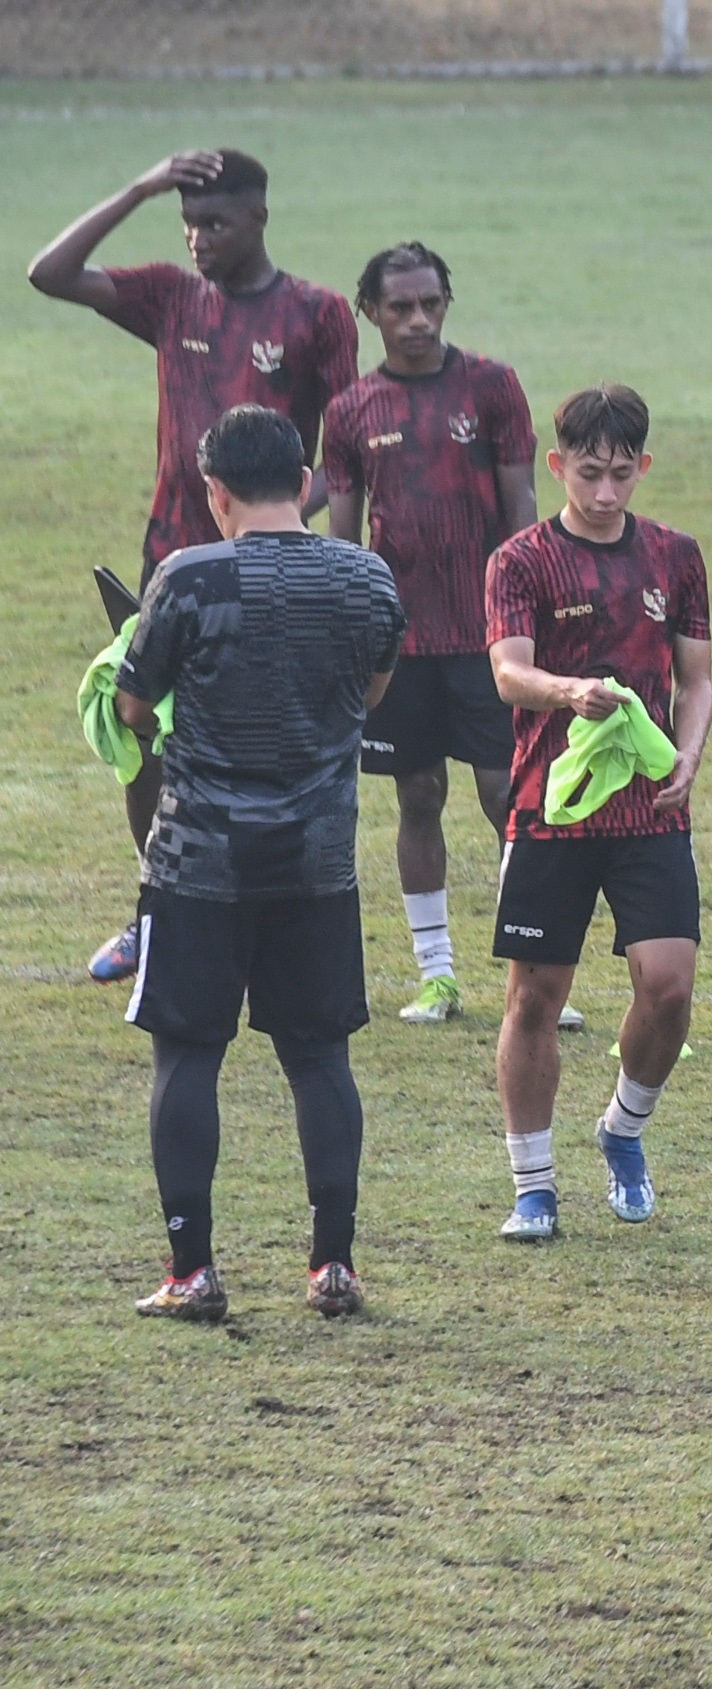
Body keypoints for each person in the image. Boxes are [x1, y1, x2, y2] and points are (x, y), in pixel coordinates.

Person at [27, 148, 357, 987]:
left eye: (214, 223)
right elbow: (48, 273)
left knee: (261, 737)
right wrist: (140, 183)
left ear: (259, 219)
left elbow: (347, 455)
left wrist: (278, 530)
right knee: (147, 737)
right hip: (168, 565)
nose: (198, 238)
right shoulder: (173, 297)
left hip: (273, 573)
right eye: (187, 223)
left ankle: (261, 915)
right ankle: (155, 912)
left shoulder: (317, 315)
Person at [112, 405, 403, 1323]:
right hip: (317, 863)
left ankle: (192, 1270)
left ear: (216, 494)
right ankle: (333, 1264)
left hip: (198, 864)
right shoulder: (367, 579)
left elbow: (132, 708)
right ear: (308, 485)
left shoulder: (188, 578)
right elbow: (371, 692)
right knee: (321, 1060)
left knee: (187, 1058)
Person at [484, 385, 712, 1241]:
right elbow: (509, 672)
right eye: (590, 474)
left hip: (650, 810)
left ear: (643, 467)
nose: (607, 492)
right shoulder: (521, 561)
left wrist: (688, 752)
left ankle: (623, 1129)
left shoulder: (676, 557)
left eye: (623, 474)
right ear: (559, 467)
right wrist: (565, 690)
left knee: (670, 987)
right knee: (535, 998)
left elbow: (696, 681)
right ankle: (533, 1186)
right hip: (552, 809)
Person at [323, 241, 539, 1026]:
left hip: (487, 635)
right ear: (370, 312)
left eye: (430, 304)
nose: (417, 320)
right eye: (400, 306)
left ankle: (539, 973)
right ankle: (437, 975)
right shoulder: (349, 411)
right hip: (399, 638)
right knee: (418, 794)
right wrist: (353, 628)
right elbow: (344, 536)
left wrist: (529, 610)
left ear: (447, 303)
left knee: (506, 795)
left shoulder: (491, 386)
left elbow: (522, 510)